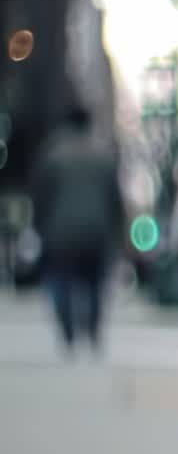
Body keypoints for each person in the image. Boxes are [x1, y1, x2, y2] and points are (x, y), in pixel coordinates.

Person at [29, 105, 126, 357]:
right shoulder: (103, 156)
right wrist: (117, 235)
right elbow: (115, 200)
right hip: (97, 231)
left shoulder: (52, 154)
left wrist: (39, 227)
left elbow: (40, 196)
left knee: (60, 280)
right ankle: (92, 330)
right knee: (93, 282)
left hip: (59, 232)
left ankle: (68, 332)